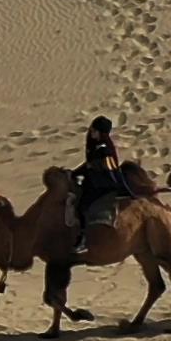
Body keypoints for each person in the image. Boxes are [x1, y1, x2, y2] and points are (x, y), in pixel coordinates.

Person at [53, 116, 128, 311]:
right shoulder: (96, 145)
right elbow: (89, 165)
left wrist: (80, 173)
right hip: (94, 180)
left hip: (104, 185)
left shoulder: (104, 148)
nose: (91, 131)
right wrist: (76, 172)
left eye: (94, 129)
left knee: (83, 204)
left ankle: (83, 238)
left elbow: (101, 167)